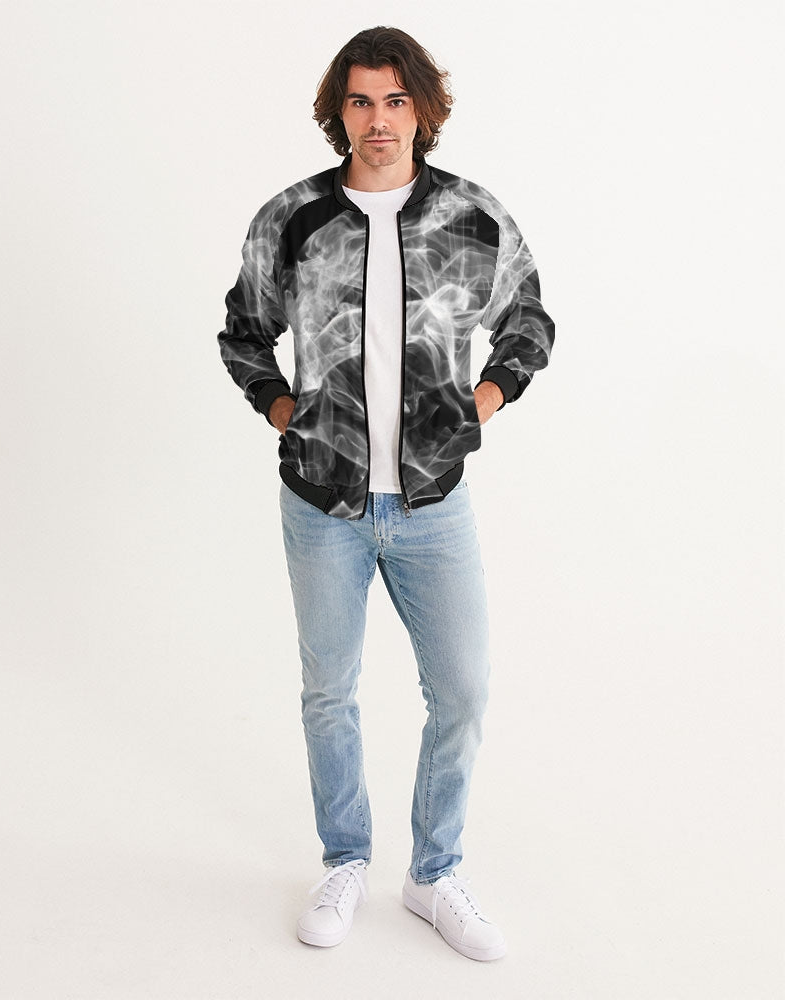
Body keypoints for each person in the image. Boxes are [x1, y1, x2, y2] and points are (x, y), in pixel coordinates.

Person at [217, 25, 554, 962]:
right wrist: (283, 409)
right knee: (329, 691)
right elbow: (243, 331)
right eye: (361, 100)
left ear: (422, 110)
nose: (378, 119)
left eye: (396, 100)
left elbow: (528, 322)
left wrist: (480, 405)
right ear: (340, 111)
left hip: (433, 503)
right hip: (320, 503)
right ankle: (345, 859)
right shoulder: (293, 218)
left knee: (464, 690)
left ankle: (434, 873)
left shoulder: (472, 217)